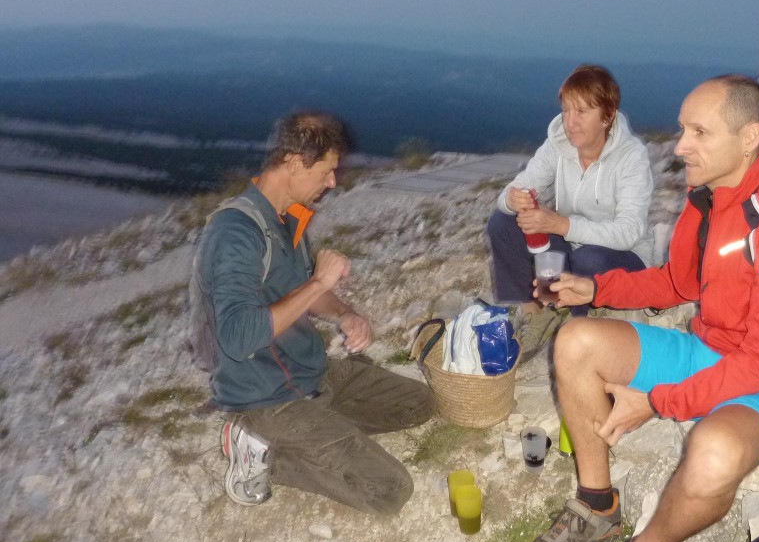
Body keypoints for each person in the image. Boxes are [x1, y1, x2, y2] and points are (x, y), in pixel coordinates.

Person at [524, 75, 759, 542]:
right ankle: (597, 504)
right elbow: (678, 282)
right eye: (682, 129)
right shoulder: (706, 200)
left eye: (699, 132)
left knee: (714, 451)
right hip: (706, 351)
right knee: (575, 342)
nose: (681, 145)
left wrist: (660, 402)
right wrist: (594, 287)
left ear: (748, 137)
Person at [193, 111, 433, 514]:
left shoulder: (287, 217)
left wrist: (343, 313)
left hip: (312, 372)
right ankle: (264, 450)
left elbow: (301, 291)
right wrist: (320, 283)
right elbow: (237, 337)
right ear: (293, 163)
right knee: (389, 490)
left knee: (420, 404)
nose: (332, 182)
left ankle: (318, 432)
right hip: (266, 395)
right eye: (326, 171)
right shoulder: (236, 234)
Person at [487, 64, 655, 352]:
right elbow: (512, 191)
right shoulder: (558, 145)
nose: (571, 122)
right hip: (572, 247)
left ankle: (581, 328)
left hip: (624, 259)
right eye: (566, 110)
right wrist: (514, 199)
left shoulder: (632, 157)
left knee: (588, 259)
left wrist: (560, 225)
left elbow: (629, 233)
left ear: (607, 115)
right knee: (503, 223)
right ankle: (535, 315)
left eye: (582, 112)